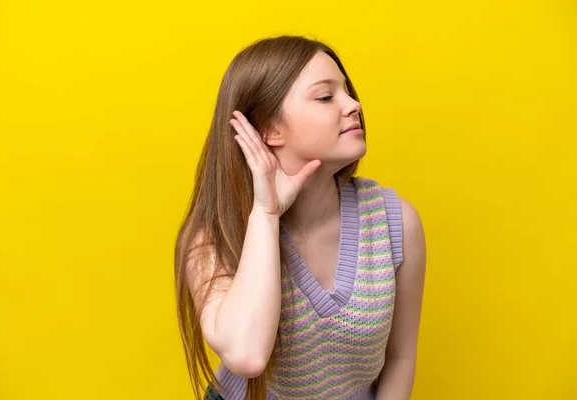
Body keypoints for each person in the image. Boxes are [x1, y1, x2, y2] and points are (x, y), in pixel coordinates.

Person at [174, 35, 427, 400]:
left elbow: (401, 357)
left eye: (348, 91)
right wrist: (265, 213)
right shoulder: (211, 239)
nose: (354, 104)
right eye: (326, 96)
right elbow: (246, 356)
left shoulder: (394, 223)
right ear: (269, 130)